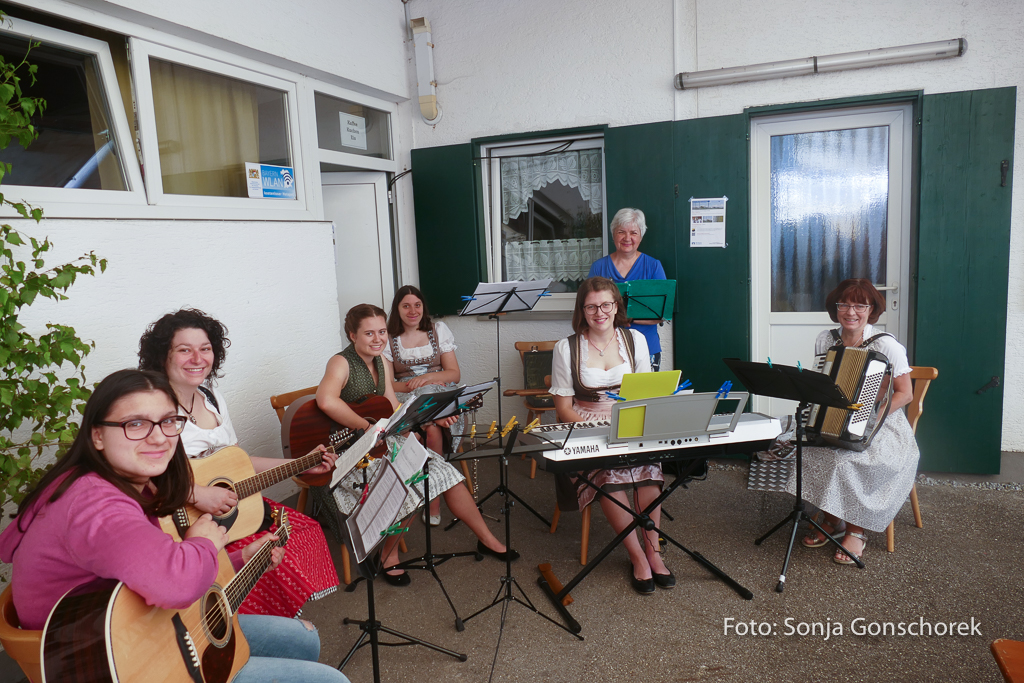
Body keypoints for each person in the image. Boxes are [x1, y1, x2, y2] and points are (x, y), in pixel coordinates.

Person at [0, 369, 349, 683]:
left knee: (303, 638)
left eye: (168, 421)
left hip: (146, 628)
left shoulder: (122, 483)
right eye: (134, 424)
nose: (158, 437)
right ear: (97, 436)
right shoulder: (95, 504)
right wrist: (203, 543)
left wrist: (241, 557)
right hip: (118, 660)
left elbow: (146, 570)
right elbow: (176, 585)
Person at [139, 309, 339, 617]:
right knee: (266, 558)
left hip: (230, 510)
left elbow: (236, 463)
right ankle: (233, 632)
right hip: (178, 519)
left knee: (304, 531)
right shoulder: (150, 403)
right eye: (184, 350)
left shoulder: (211, 396)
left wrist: (299, 464)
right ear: (162, 356)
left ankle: (272, 629)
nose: (197, 358)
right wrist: (196, 494)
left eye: (205, 349)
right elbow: (139, 471)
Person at [315, 303, 516, 586]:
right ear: (352, 335)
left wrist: (430, 419)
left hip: (381, 440)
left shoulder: (382, 362)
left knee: (446, 473)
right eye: (369, 333)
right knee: (407, 485)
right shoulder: (341, 362)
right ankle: (389, 555)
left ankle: (487, 540)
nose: (378, 339)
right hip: (350, 450)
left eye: (382, 331)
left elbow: (392, 405)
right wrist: (366, 426)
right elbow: (326, 400)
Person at [549, 277, 674, 595]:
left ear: (616, 306)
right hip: (585, 425)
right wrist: (598, 433)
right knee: (608, 473)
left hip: (630, 421)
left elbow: (646, 395)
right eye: (591, 306)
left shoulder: (635, 341)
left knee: (649, 472)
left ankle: (653, 550)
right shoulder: (567, 347)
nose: (599, 312)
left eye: (606, 304)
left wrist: (632, 427)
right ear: (582, 310)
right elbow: (563, 408)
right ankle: (637, 557)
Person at [789, 279, 920, 564]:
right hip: (832, 417)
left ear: (871, 310)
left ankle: (856, 529)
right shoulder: (826, 339)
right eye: (844, 304)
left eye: (860, 305)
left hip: (882, 423)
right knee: (810, 450)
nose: (851, 311)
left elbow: (905, 394)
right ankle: (832, 518)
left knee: (847, 460)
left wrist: (869, 417)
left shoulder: (887, 345)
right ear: (835, 308)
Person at [383, 285, 463, 526]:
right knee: (431, 427)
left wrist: (427, 379)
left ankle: (432, 497)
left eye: (417, 305)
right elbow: (389, 384)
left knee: (430, 406)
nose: (412, 310)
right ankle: (433, 497)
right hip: (408, 397)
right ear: (397, 309)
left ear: (423, 307)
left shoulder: (438, 330)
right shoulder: (388, 338)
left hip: (439, 390)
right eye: (405, 305)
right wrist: (412, 387)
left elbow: (453, 374)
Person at [587, 207, 668, 371]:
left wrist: (628, 319)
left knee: (645, 396)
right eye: (621, 232)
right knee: (609, 397)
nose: (627, 238)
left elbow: (661, 315)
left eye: (633, 232)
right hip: (605, 350)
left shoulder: (653, 266)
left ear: (641, 236)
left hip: (647, 347)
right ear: (613, 234)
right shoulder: (598, 268)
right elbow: (588, 308)